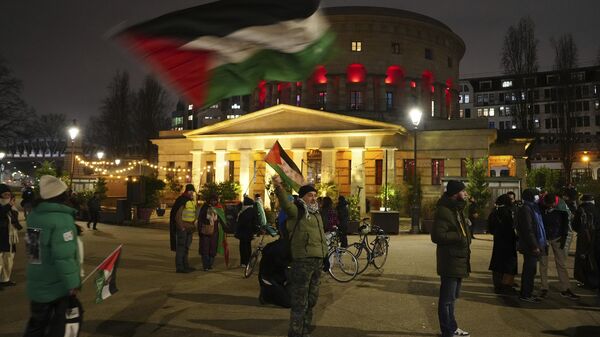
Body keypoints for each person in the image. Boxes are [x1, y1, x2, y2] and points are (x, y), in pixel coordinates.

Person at [23, 175, 82, 336]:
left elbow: (32, 252)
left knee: (36, 325)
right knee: (60, 326)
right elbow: (64, 257)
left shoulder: (35, 216)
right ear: (62, 195)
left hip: (38, 281)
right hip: (56, 284)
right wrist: (73, 284)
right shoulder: (61, 219)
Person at [273, 176, 327, 337]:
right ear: (302, 196)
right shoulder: (297, 211)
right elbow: (286, 205)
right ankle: (296, 332)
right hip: (302, 261)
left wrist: (325, 257)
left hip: (317, 260)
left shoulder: (316, 213)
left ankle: (305, 328)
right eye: (310, 195)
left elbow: (321, 236)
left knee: (312, 299)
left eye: (315, 195)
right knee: (299, 300)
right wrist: (278, 187)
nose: (313, 198)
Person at [430, 180, 471, 337]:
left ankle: (452, 328)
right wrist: (459, 236)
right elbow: (437, 236)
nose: (465, 194)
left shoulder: (457, 209)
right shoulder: (444, 210)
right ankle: (447, 331)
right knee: (447, 299)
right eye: (463, 191)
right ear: (455, 194)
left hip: (458, 259)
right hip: (450, 260)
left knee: (452, 298)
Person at [538, 193, 579, 299]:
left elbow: (566, 224)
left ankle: (566, 288)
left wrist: (564, 238)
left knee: (561, 263)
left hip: (558, 238)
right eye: (548, 205)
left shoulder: (561, 207)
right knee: (543, 263)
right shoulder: (540, 206)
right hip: (544, 239)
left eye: (552, 205)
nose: (550, 207)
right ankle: (544, 288)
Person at [516, 188, 547, 303]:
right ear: (531, 196)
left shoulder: (532, 207)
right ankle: (525, 294)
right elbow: (528, 229)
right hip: (530, 246)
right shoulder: (526, 209)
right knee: (529, 270)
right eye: (536, 195)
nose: (538, 196)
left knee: (531, 270)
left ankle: (527, 292)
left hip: (534, 244)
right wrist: (534, 245)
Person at [487, 194, 518, 294]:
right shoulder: (508, 212)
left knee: (497, 263)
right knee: (510, 264)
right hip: (508, 241)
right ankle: (506, 285)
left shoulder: (494, 212)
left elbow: (490, 229)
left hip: (498, 241)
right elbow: (512, 227)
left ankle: (498, 286)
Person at [572, 194, 599, 289]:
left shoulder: (580, 210)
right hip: (596, 237)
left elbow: (574, 225)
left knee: (584, 259)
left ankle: (587, 282)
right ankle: (595, 281)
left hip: (584, 238)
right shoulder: (597, 209)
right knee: (594, 258)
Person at [169, 184, 196, 273]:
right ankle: (180, 267)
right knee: (181, 247)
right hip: (183, 228)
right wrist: (182, 227)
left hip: (189, 228)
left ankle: (186, 265)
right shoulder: (182, 200)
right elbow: (177, 215)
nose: (192, 193)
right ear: (186, 191)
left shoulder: (190, 201)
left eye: (192, 191)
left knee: (186, 248)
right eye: (190, 191)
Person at [258, 238, 292, 308]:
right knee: (288, 302)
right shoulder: (280, 248)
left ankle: (268, 294)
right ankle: (267, 296)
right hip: (270, 278)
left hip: (272, 278)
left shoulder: (276, 245)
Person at [1, 185, 22, 288]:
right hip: (1, 237)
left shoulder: (12, 207)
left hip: (10, 238)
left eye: (9, 195)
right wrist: (9, 206)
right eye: (5, 195)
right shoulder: (6, 206)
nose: (7, 197)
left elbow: (15, 220)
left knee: (8, 260)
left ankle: (5, 280)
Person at [198, 195, 220, 271]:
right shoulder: (205, 207)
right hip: (205, 231)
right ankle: (206, 266)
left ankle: (210, 264)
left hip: (215, 232)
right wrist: (200, 230)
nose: (214, 202)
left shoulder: (218, 208)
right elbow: (200, 219)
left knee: (212, 249)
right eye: (212, 200)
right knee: (205, 249)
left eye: (215, 200)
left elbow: (221, 220)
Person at [236, 196, 258, 267]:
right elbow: (255, 222)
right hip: (249, 232)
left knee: (243, 248)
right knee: (248, 247)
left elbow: (241, 222)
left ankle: (244, 262)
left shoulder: (245, 211)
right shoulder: (252, 210)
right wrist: (255, 232)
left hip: (244, 232)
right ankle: (248, 261)